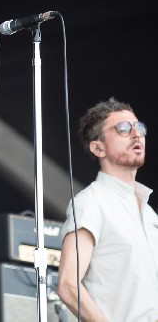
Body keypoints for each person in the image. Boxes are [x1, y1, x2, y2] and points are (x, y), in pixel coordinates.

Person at [57, 98, 158, 321]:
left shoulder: (150, 215)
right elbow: (67, 284)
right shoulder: (91, 202)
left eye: (139, 128)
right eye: (123, 129)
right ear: (98, 147)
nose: (136, 134)